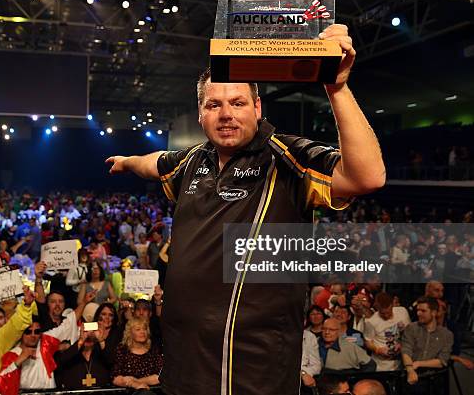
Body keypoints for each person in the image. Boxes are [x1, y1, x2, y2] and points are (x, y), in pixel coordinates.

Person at [106, 23, 385, 394]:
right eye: (214, 104)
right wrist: (127, 161)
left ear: (256, 107)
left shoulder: (287, 158)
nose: (226, 114)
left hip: (254, 371)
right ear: (201, 114)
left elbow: (368, 176)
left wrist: (337, 88)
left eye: (237, 103)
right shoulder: (191, 161)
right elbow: (154, 163)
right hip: (184, 365)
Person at [0, 312, 79, 394]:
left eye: (37, 332)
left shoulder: (45, 343)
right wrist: (19, 361)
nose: (33, 335)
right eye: (28, 332)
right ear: (21, 333)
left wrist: (84, 302)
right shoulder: (11, 355)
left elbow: (68, 324)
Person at [401, 297, 453, 395]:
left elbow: (442, 361)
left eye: (423, 311)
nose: (418, 313)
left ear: (433, 312)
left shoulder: (446, 334)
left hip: (434, 380)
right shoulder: (411, 328)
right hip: (412, 377)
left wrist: (419, 363)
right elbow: (406, 350)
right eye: (418, 310)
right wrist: (410, 369)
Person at [111, 317, 162, 391]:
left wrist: (137, 382)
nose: (142, 332)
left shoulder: (153, 350)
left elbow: (159, 377)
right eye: (138, 329)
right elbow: (116, 378)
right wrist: (134, 385)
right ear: (130, 333)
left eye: (144, 329)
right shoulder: (122, 350)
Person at [364, 291, 410, 371]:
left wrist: (401, 344)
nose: (386, 316)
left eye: (388, 312)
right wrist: (377, 350)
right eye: (382, 313)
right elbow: (368, 341)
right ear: (377, 307)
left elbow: (409, 334)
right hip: (381, 366)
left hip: (400, 363)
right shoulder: (371, 321)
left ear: (392, 305)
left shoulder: (402, 312)